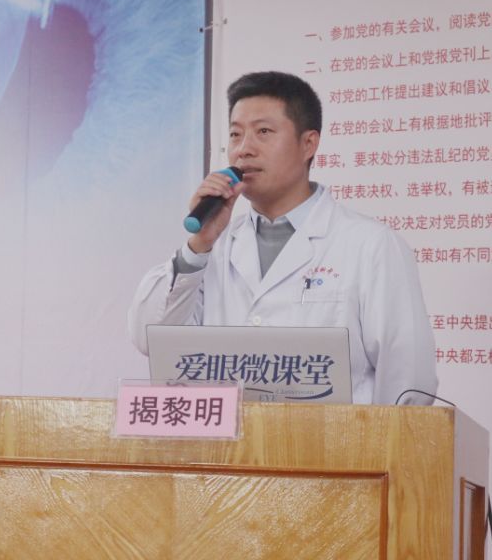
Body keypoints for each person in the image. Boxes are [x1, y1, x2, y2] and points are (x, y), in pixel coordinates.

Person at [128, 71, 437, 405]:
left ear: (308, 144)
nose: (244, 150)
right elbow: (150, 339)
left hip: (332, 440)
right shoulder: (213, 246)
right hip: (229, 439)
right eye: (235, 134)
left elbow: (408, 380)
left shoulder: (370, 244)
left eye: (263, 132)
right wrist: (198, 247)